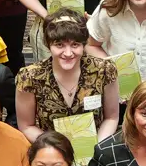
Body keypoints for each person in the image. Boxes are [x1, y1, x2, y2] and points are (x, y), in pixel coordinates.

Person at [14, 10, 120, 145]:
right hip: (49, 150)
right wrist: (58, 150)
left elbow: (111, 118)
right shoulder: (29, 77)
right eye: (59, 45)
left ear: (84, 45)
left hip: (97, 148)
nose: (68, 53)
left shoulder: (104, 70)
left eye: (75, 45)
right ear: (48, 45)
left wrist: (96, 150)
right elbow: (27, 126)